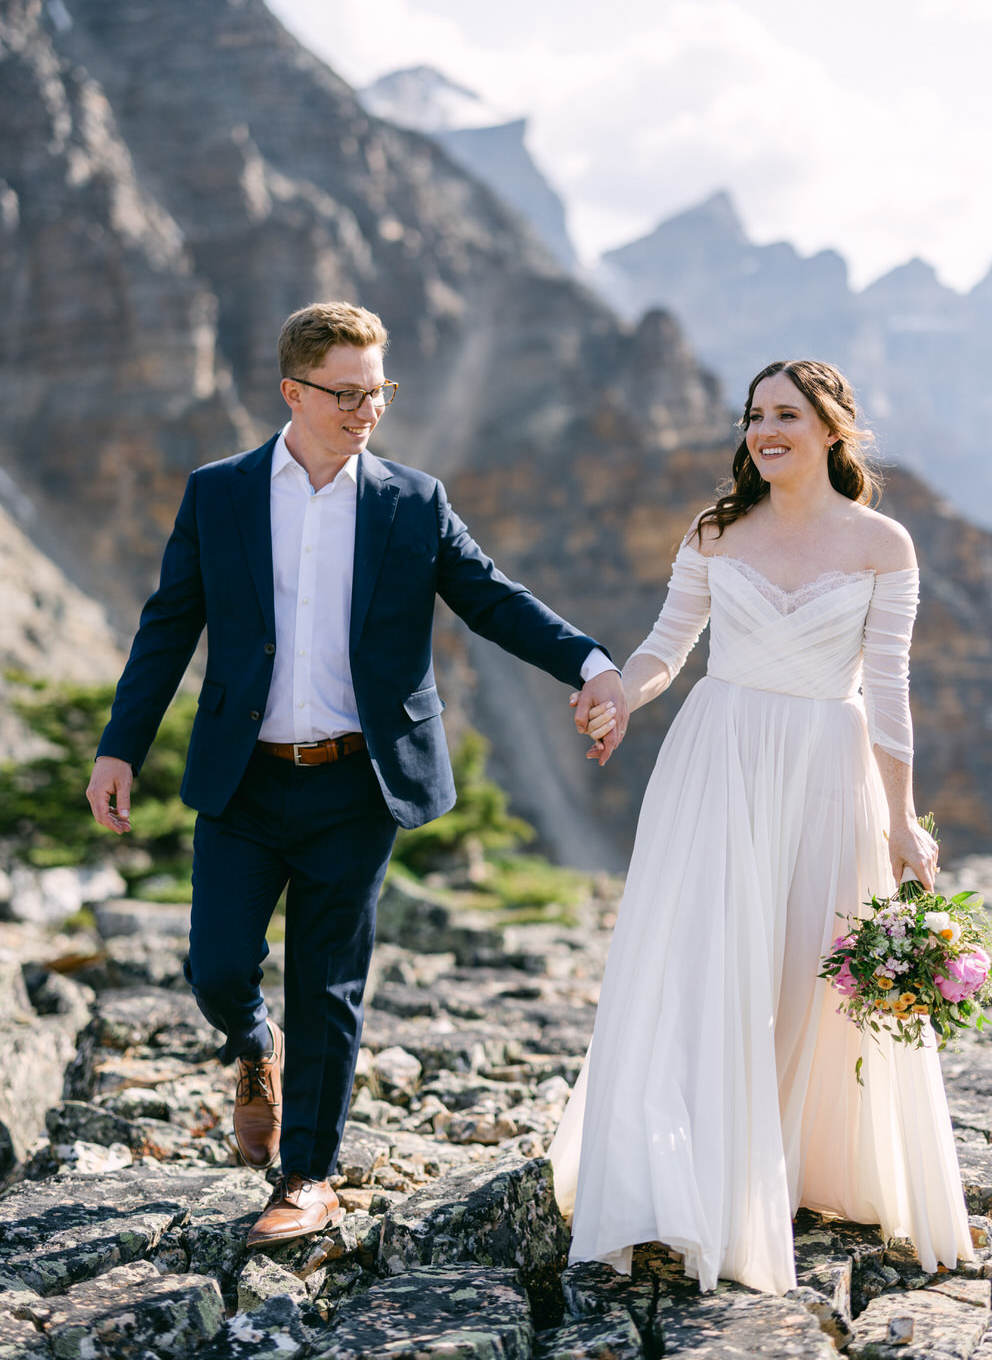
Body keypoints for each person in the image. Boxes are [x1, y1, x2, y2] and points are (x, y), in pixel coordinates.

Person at [87, 301, 626, 1249]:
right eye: (346, 393)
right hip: (244, 781)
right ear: (292, 391)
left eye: (378, 391)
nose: (367, 409)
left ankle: (308, 1175)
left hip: (355, 782)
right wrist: (120, 744)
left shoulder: (412, 502)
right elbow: (169, 622)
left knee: (328, 982)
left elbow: (493, 601)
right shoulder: (218, 493)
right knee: (216, 966)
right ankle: (253, 1046)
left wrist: (591, 665)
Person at [557, 358, 972, 1295]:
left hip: (831, 764)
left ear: (834, 427)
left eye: (786, 413)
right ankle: (698, 1176)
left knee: (802, 969)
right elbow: (668, 648)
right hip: (719, 759)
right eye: (754, 416)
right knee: (708, 962)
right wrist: (622, 691)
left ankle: (779, 1169)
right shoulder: (715, 533)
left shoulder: (883, 544)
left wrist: (903, 822)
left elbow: (891, 692)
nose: (764, 430)